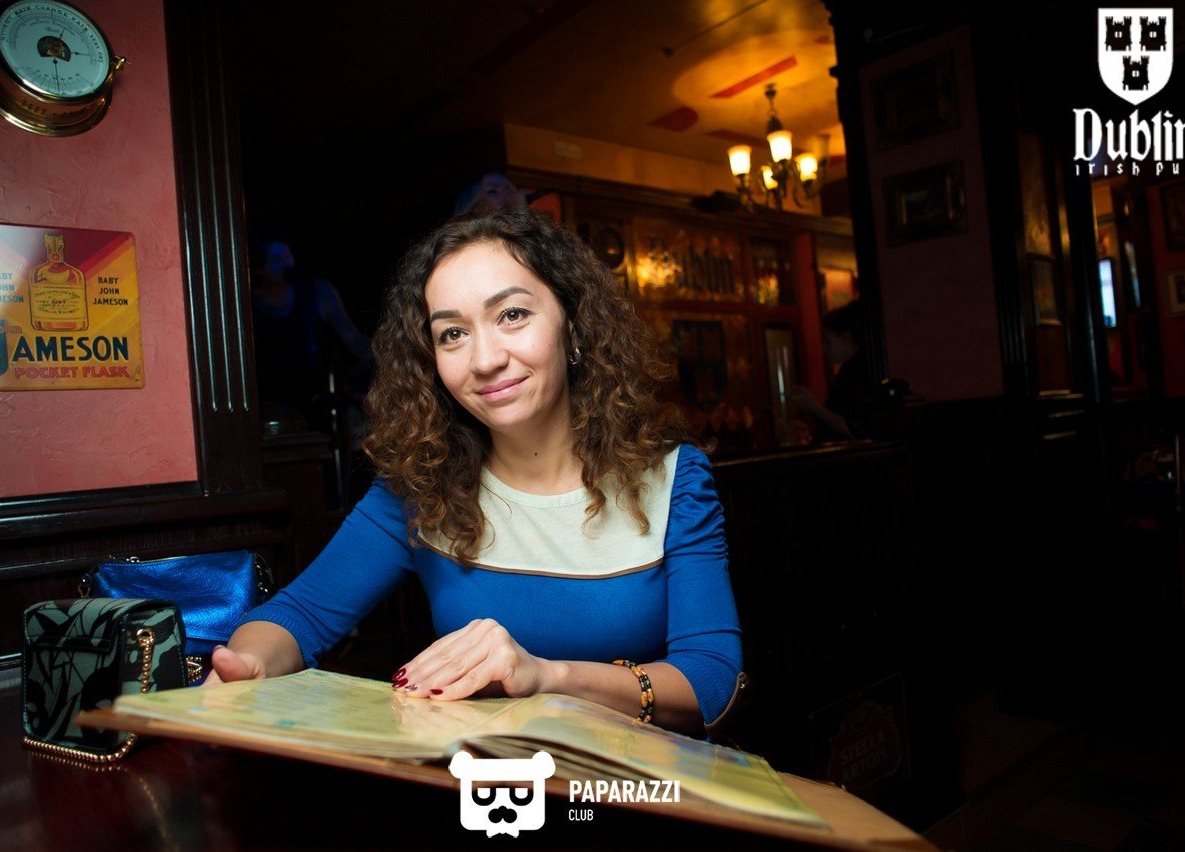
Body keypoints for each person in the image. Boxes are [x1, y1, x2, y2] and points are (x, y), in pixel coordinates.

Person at [210, 210, 745, 736]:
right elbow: (298, 614)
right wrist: (250, 663)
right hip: (488, 785)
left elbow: (711, 681)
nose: (484, 359)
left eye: (512, 314)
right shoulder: (420, 487)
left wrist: (548, 677)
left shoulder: (673, 480)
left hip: (631, 784)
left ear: (574, 325)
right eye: (452, 334)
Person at [250, 234, 374, 432]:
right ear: (259, 267)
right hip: (269, 408)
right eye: (277, 259)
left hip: (318, 406)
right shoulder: (248, 305)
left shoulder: (316, 293)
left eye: (288, 256)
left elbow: (354, 342)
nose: (288, 264)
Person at [789, 300, 872, 442]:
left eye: (828, 342)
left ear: (846, 338)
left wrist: (813, 406)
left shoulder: (857, 372)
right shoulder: (848, 370)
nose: (825, 350)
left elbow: (852, 428)